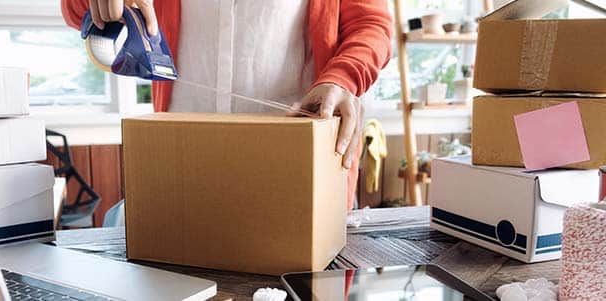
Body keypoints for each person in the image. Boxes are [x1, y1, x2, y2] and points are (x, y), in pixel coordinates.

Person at [61, 0, 393, 208]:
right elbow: (76, 10)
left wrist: (342, 78)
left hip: (301, 170)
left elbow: (372, 25)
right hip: (180, 172)